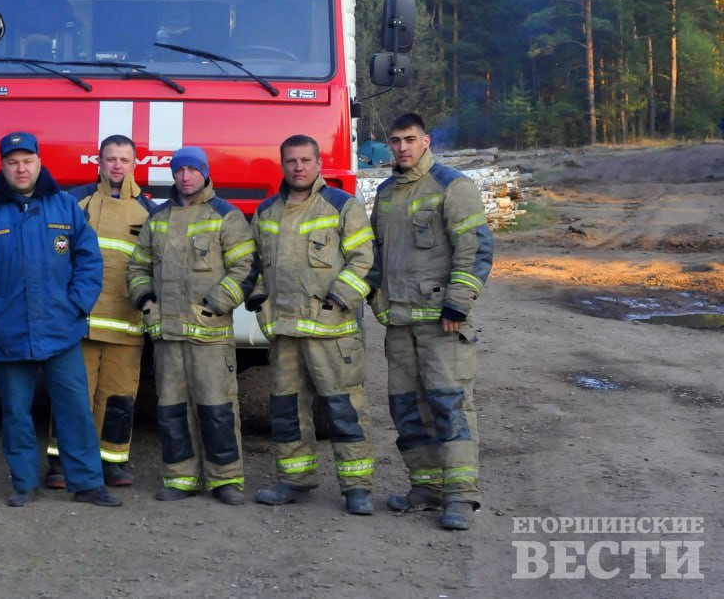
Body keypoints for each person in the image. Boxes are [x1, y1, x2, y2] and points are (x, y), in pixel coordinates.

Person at [0, 131, 119, 508]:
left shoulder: (65, 207)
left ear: (39, 163)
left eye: (27, 161)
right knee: (15, 413)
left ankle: (87, 482)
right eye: (13, 162)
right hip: (8, 332)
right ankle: (25, 482)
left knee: (75, 410)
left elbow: (89, 261)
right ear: (2, 167)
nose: (21, 168)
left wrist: (76, 305)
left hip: (61, 329)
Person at [367, 113, 493, 531]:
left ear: (426, 141)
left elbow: (474, 249)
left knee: (450, 407)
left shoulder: (453, 186)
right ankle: (425, 489)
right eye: (395, 140)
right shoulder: (386, 193)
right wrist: (374, 297)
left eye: (409, 139)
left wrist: (457, 305)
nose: (401, 147)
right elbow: (378, 257)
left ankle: (460, 496)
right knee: (407, 410)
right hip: (399, 323)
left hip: (443, 324)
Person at [246, 135, 377, 515]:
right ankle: (295, 480)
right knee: (286, 412)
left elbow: (363, 259)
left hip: (332, 334)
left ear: (319, 163)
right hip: (285, 333)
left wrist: (338, 299)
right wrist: (259, 301)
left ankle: (357, 488)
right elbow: (254, 264)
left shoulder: (342, 206)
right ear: (282, 165)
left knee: (345, 410)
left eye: (305, 160)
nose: (298, 167)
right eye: (291, 161)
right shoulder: (267, 211)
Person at [126, 146, 255, 505]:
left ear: (205, 173)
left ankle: (225, 480)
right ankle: (180, 478)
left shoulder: (225, 216)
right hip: (167, 335)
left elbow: (245, 267)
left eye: (192, 170)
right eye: (179, 170)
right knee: (171, 410)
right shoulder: (159, 218)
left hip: (210, 336)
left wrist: (217, 303)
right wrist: (147, 303)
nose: (185, 176)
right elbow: (137, 267)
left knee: (217, 409)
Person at [43, 135, 155, 489]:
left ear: (136, 164)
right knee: (73, 392)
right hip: (81, 322)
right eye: (110, 159)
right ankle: (61, 462)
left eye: (124, 159)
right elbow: (55, 254)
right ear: (99, 162)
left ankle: (112, 462)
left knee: (119, 396)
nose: (117, 166)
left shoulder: (149, 211)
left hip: (126, 323)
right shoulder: (76, 203)